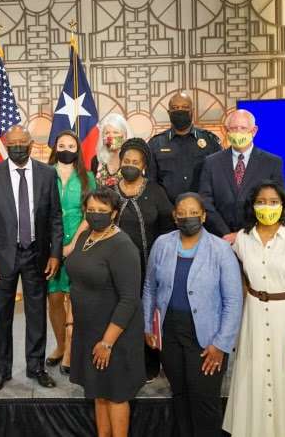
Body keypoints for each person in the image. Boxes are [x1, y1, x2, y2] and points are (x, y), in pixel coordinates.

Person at [223, 181, 285, 437]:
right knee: (256, 382)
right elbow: (241, 282)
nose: (266, 207)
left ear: (283, 206)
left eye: (273, 202)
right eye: (260, 202)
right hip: (255, 320)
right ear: (252, 206)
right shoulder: (243, 239)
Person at [143, 192, 243, 437]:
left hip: (207, 339)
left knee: (204, 401)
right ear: (175, 216)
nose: (188, 217)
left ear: (204, 216)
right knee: (180, 397)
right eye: (182, 213)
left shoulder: (221, 249)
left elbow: (233, 301)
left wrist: (221, 344)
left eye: (194, 213)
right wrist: (147, 326)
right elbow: (150, 287)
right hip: (170, 333)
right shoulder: (162, 244)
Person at [0, 125, 63, 392]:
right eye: (12, 144)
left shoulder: (47, 174)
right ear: (5, 145)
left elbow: (55, 217)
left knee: (36, 314)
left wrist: (55, 253)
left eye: (21, 143)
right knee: (1, 316)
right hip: (2, 257)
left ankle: (36, 367)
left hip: (37, 254)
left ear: (31, 144)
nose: (17, 148)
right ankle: (1, 371)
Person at [66, 186, 144, 437]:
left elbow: (129, 299)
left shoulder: (123, 246)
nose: (95, 214)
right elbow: (76, 284)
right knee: (99, 393)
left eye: (102, 210)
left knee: (115, 395)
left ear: (113, 213)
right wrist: (71, 324)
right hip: (88, 331)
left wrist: (107, 343)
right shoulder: (84, 237)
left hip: (114, 335)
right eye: (90, 209)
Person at [114, 138, 175, 380]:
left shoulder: (155, 191)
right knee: (121, 313)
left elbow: (169, 228)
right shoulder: (110, 191)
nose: (130, 165)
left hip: (149, 267)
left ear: (144, 166)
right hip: (117, 270)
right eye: (126, 161)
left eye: (135, 162)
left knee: (147, 314)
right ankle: (122, 362)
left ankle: (150, 363)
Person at [46, 130, 95, 375]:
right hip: (50, 247)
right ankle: (60, 345)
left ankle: (72, 350)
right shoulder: (45, 174)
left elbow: (90, 213)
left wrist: (73, 244)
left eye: (71, 146)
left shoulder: (88, 177)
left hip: (79, 243)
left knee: (73, 298)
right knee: (54, 297)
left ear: (78, 150)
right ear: (55, 148)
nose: (66, 149)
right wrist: (53, 248)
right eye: (62, 145)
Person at [199, 109, 285, 243]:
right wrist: (225, 233)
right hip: (220, 239)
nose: (238, 132)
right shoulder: (211, 162)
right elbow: (205, 201)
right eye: (233, 128)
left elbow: (277, 203)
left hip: (257, 239)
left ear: (254, 131)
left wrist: (244, 235)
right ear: (226, 131)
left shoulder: (272, 163)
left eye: (243, 128)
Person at [146, 92, 222, 202]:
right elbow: (151, 183)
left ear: (192, 111)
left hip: (203, 208)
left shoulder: (210, 141)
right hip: (168, 209)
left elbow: (219, 178)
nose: (180, 110)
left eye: (185, 107)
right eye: (175, 108)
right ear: (169, 113)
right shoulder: (155, 144)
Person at [90, 113, 133, 187]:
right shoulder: (97, 160)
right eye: (107, 133)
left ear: (125, 135)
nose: (111, 136)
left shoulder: (132, 160)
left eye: (115, 132)